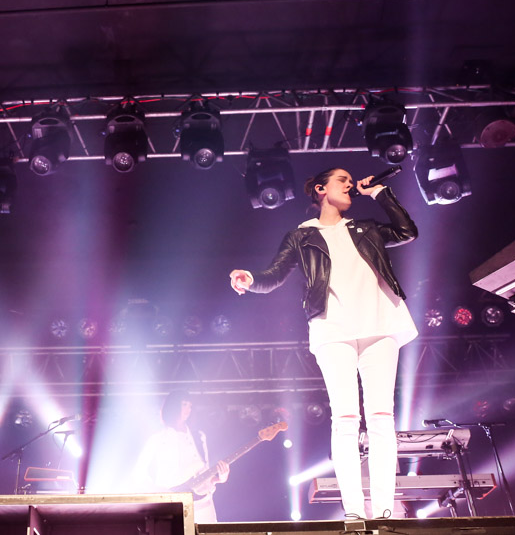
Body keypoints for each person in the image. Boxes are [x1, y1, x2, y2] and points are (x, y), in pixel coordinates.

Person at [229, 168, 418, 520]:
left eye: (350, 180)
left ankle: (384, 510)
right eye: (342, 179)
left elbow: (407, 231)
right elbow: (273, 276)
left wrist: (380, 193)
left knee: (380, 418)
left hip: (381, 322)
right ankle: (354, 512)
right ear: (320, 189)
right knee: (345, 419)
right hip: (332, 328)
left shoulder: (366, 228)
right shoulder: (301, 236)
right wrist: (251, 279)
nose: (349, 184)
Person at [133, 391, 230, 523]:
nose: (188, 409)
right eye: (184, 404)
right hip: (173, 505)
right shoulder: (158, 438)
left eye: (190, 405)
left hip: (204, 504)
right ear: (173, 406)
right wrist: (161, 493)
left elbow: (205, 472)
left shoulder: (199, 436)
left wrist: (220, 478)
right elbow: (139, 473)